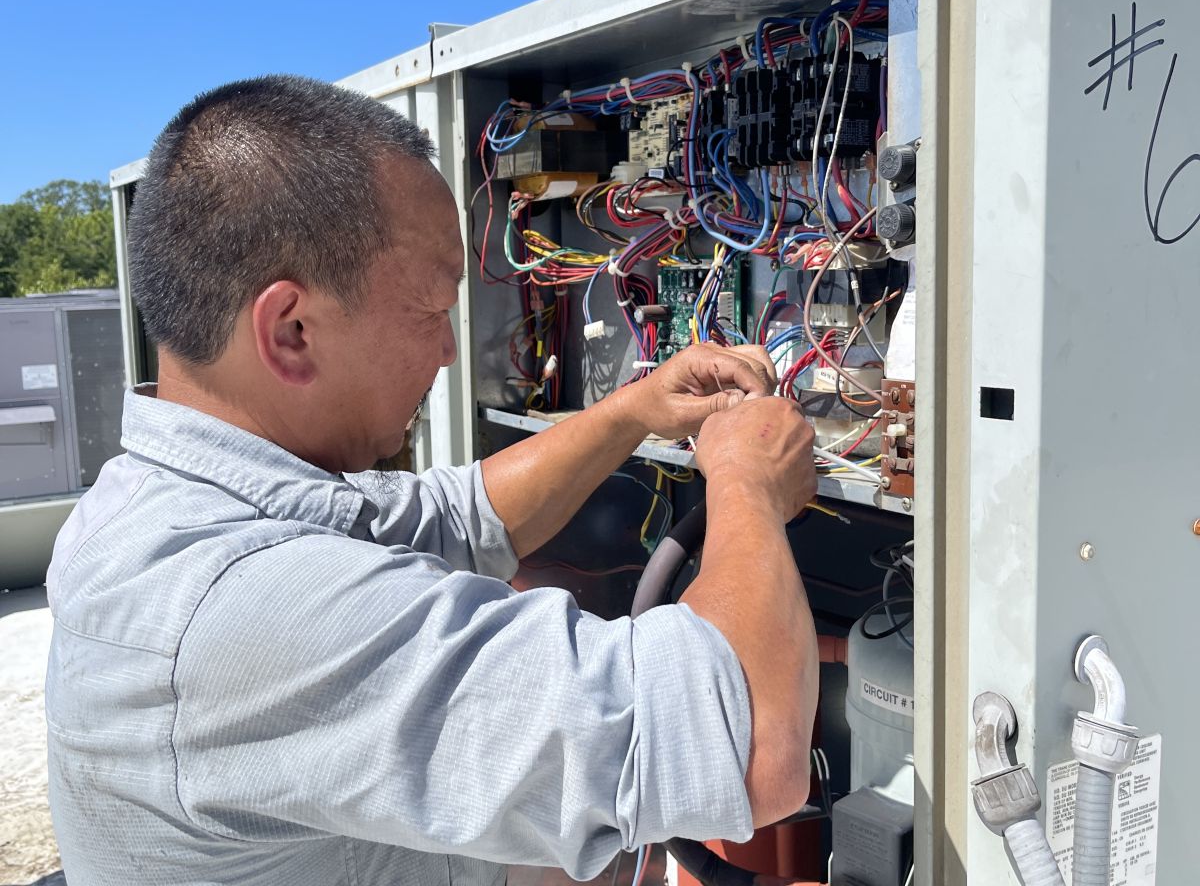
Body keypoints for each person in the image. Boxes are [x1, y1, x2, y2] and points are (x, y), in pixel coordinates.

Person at [44, 75, 820, 886]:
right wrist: (746, 481)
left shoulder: (161, 504)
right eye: (430, 310)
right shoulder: (243, 604)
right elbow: (747, 746)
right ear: (292, 330)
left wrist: (633, 409)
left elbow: (457, 516)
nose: (450, 351)